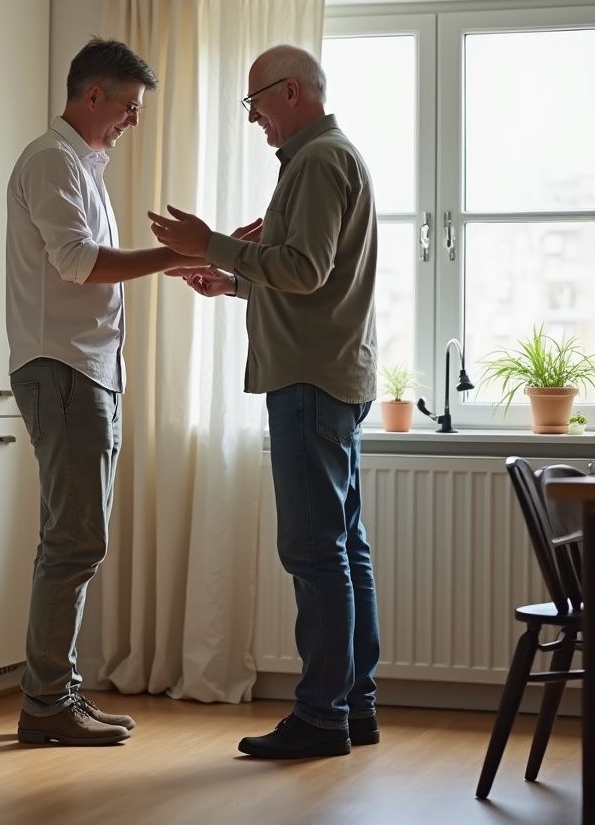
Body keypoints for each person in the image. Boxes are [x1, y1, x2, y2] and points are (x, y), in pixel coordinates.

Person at [148, 44, 380, 760]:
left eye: (255, 104)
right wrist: (236, 284)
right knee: (345, 550)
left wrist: (212, 245)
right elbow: (312, 275)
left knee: (315, 554)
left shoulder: (316, 160)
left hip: (309, 383)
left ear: (291, 92)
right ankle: (353, 705)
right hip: (332, 375)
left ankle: (320, 717)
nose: (252, 119)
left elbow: (305, 272)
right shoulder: (330, 156)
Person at [7, 37, 206, 746]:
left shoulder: (79, 165)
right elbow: (81, 264)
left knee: (75, 541)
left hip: (83, 370)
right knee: (73, 542)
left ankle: (53, 698)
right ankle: (46, 704)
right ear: (94, 97)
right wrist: (185, 252)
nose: (133, 121)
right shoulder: (52, 161)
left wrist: (180, 259)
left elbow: (92, 268)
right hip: (63, 370)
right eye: (129, 107)